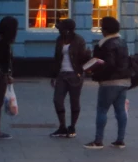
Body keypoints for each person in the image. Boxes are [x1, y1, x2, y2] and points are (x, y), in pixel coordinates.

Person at [84, 16, 131, 150]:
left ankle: (98, 141)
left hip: (109, 82)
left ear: (105, 30)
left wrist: (95, 72)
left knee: (102, 110)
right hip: (124, 80)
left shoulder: (105, 44)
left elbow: (108, 64)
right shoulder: (122, 42)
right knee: (120, 110)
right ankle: (120, 140)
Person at [49, 19, 91, 139]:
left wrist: (87, 55)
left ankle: (72, 126)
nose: (58, 30)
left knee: (74, 101)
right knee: (57, 100)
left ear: (67, 30)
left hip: (75, 74)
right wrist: (53, 75)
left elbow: (82, 59)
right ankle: (62, 126)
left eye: (61, 28)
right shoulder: (59, 40)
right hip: (61, 74)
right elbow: (56, 58)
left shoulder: (79, 40)